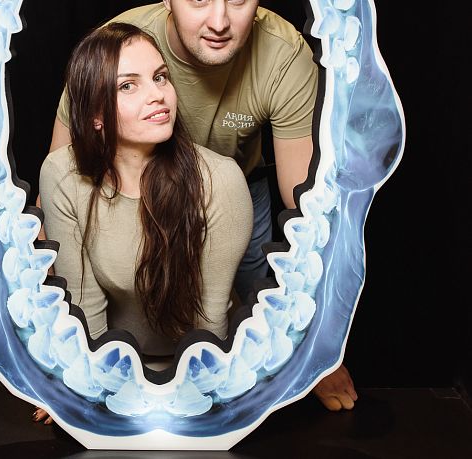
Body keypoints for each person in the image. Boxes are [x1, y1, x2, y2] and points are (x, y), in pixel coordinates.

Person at [36, 1, 357, 421]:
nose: (219, 21)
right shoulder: (118, 44)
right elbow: (69, 171)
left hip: (230, 189)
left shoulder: (280, 55)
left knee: (244, 306)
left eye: (160, 77)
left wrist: (313, 346)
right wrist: (74, 380)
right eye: (128, 85)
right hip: (117, 182)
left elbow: (304, 207)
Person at [35, 22, 252, 423]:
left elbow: (209, 327)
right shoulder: (62, 174)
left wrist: (188, 409)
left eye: (160, 77)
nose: (157, 94)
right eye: (128, 85)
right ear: (95, 115)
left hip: (202, 371)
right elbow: (85, 310)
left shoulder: (220, 180)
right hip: (115, 364)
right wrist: (86, 389)